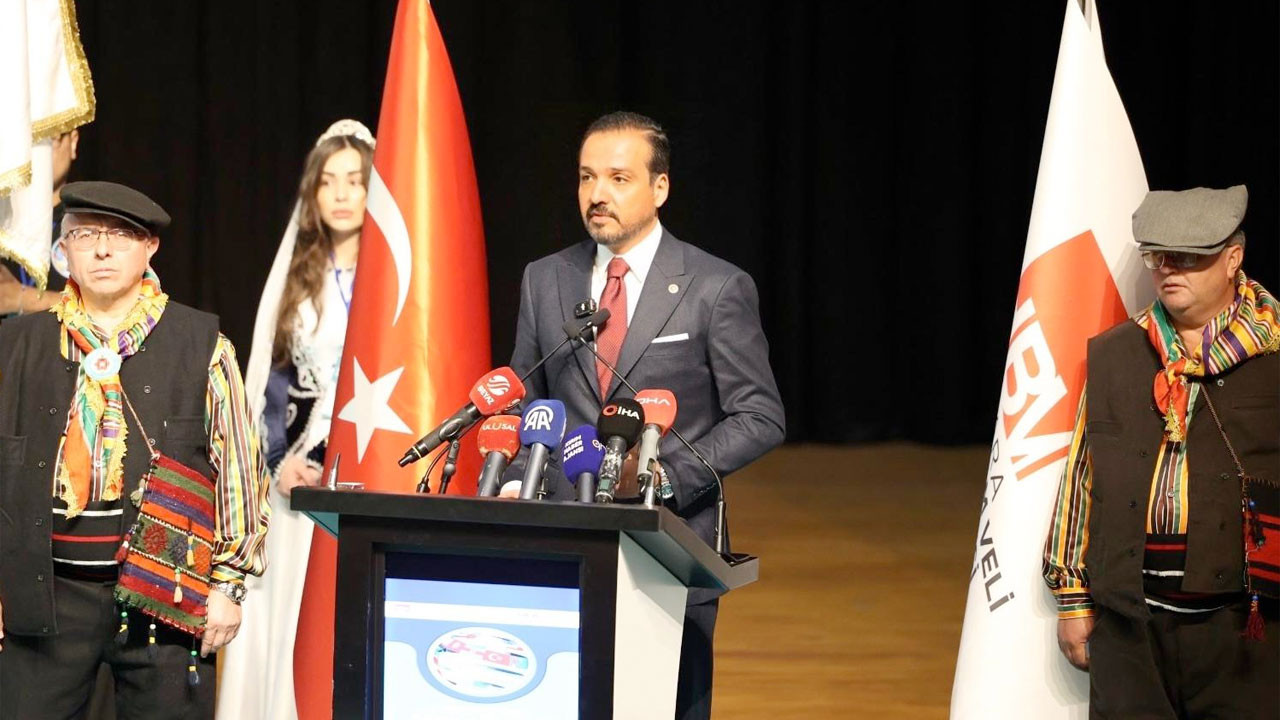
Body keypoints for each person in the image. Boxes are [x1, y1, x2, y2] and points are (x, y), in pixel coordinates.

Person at [508, 111, 786, 720]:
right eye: (586, 177)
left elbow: (760, 415)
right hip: (562, 540)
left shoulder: (714, 286)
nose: (597, 194)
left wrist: (664, 474)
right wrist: (516, 480)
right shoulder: (544, 280)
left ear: (660, 187)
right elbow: (528, 401)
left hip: (671, 543)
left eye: (618, 178)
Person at [0, 180, 271, 718]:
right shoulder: (16, 346)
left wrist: (228, 585)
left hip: (167, 596)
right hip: (46, 596)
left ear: (150, 247)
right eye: (85, 235)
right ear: (63, 248)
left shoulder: (203, 346)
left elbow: (239, 469)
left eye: (120, 236)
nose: (102, 250)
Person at [1043, 185, 1278, 719]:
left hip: (1245, 629)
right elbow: (1083, 474)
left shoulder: (1274, 352)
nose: (1169, 268)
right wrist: (1073, 598)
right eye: (1157, 256)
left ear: (1233, 259)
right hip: (1132, 626)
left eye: (1189, 257)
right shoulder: (1117, 353)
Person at [215, 119, 374, 720]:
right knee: (290, 610)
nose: (341, 194)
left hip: (369, 469)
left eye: (354, 180)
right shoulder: (298, 276)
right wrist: (279, 462)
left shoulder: (396, 279)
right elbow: (272, 378)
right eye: (328, 181)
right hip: (298, 477)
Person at [0, 129, 79, 316]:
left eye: (50, 137)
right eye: (28, 138)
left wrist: (20, 299)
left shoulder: (93, 224)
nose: (38, 152)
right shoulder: (4, 221)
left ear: (72, 142)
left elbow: (115, 313)